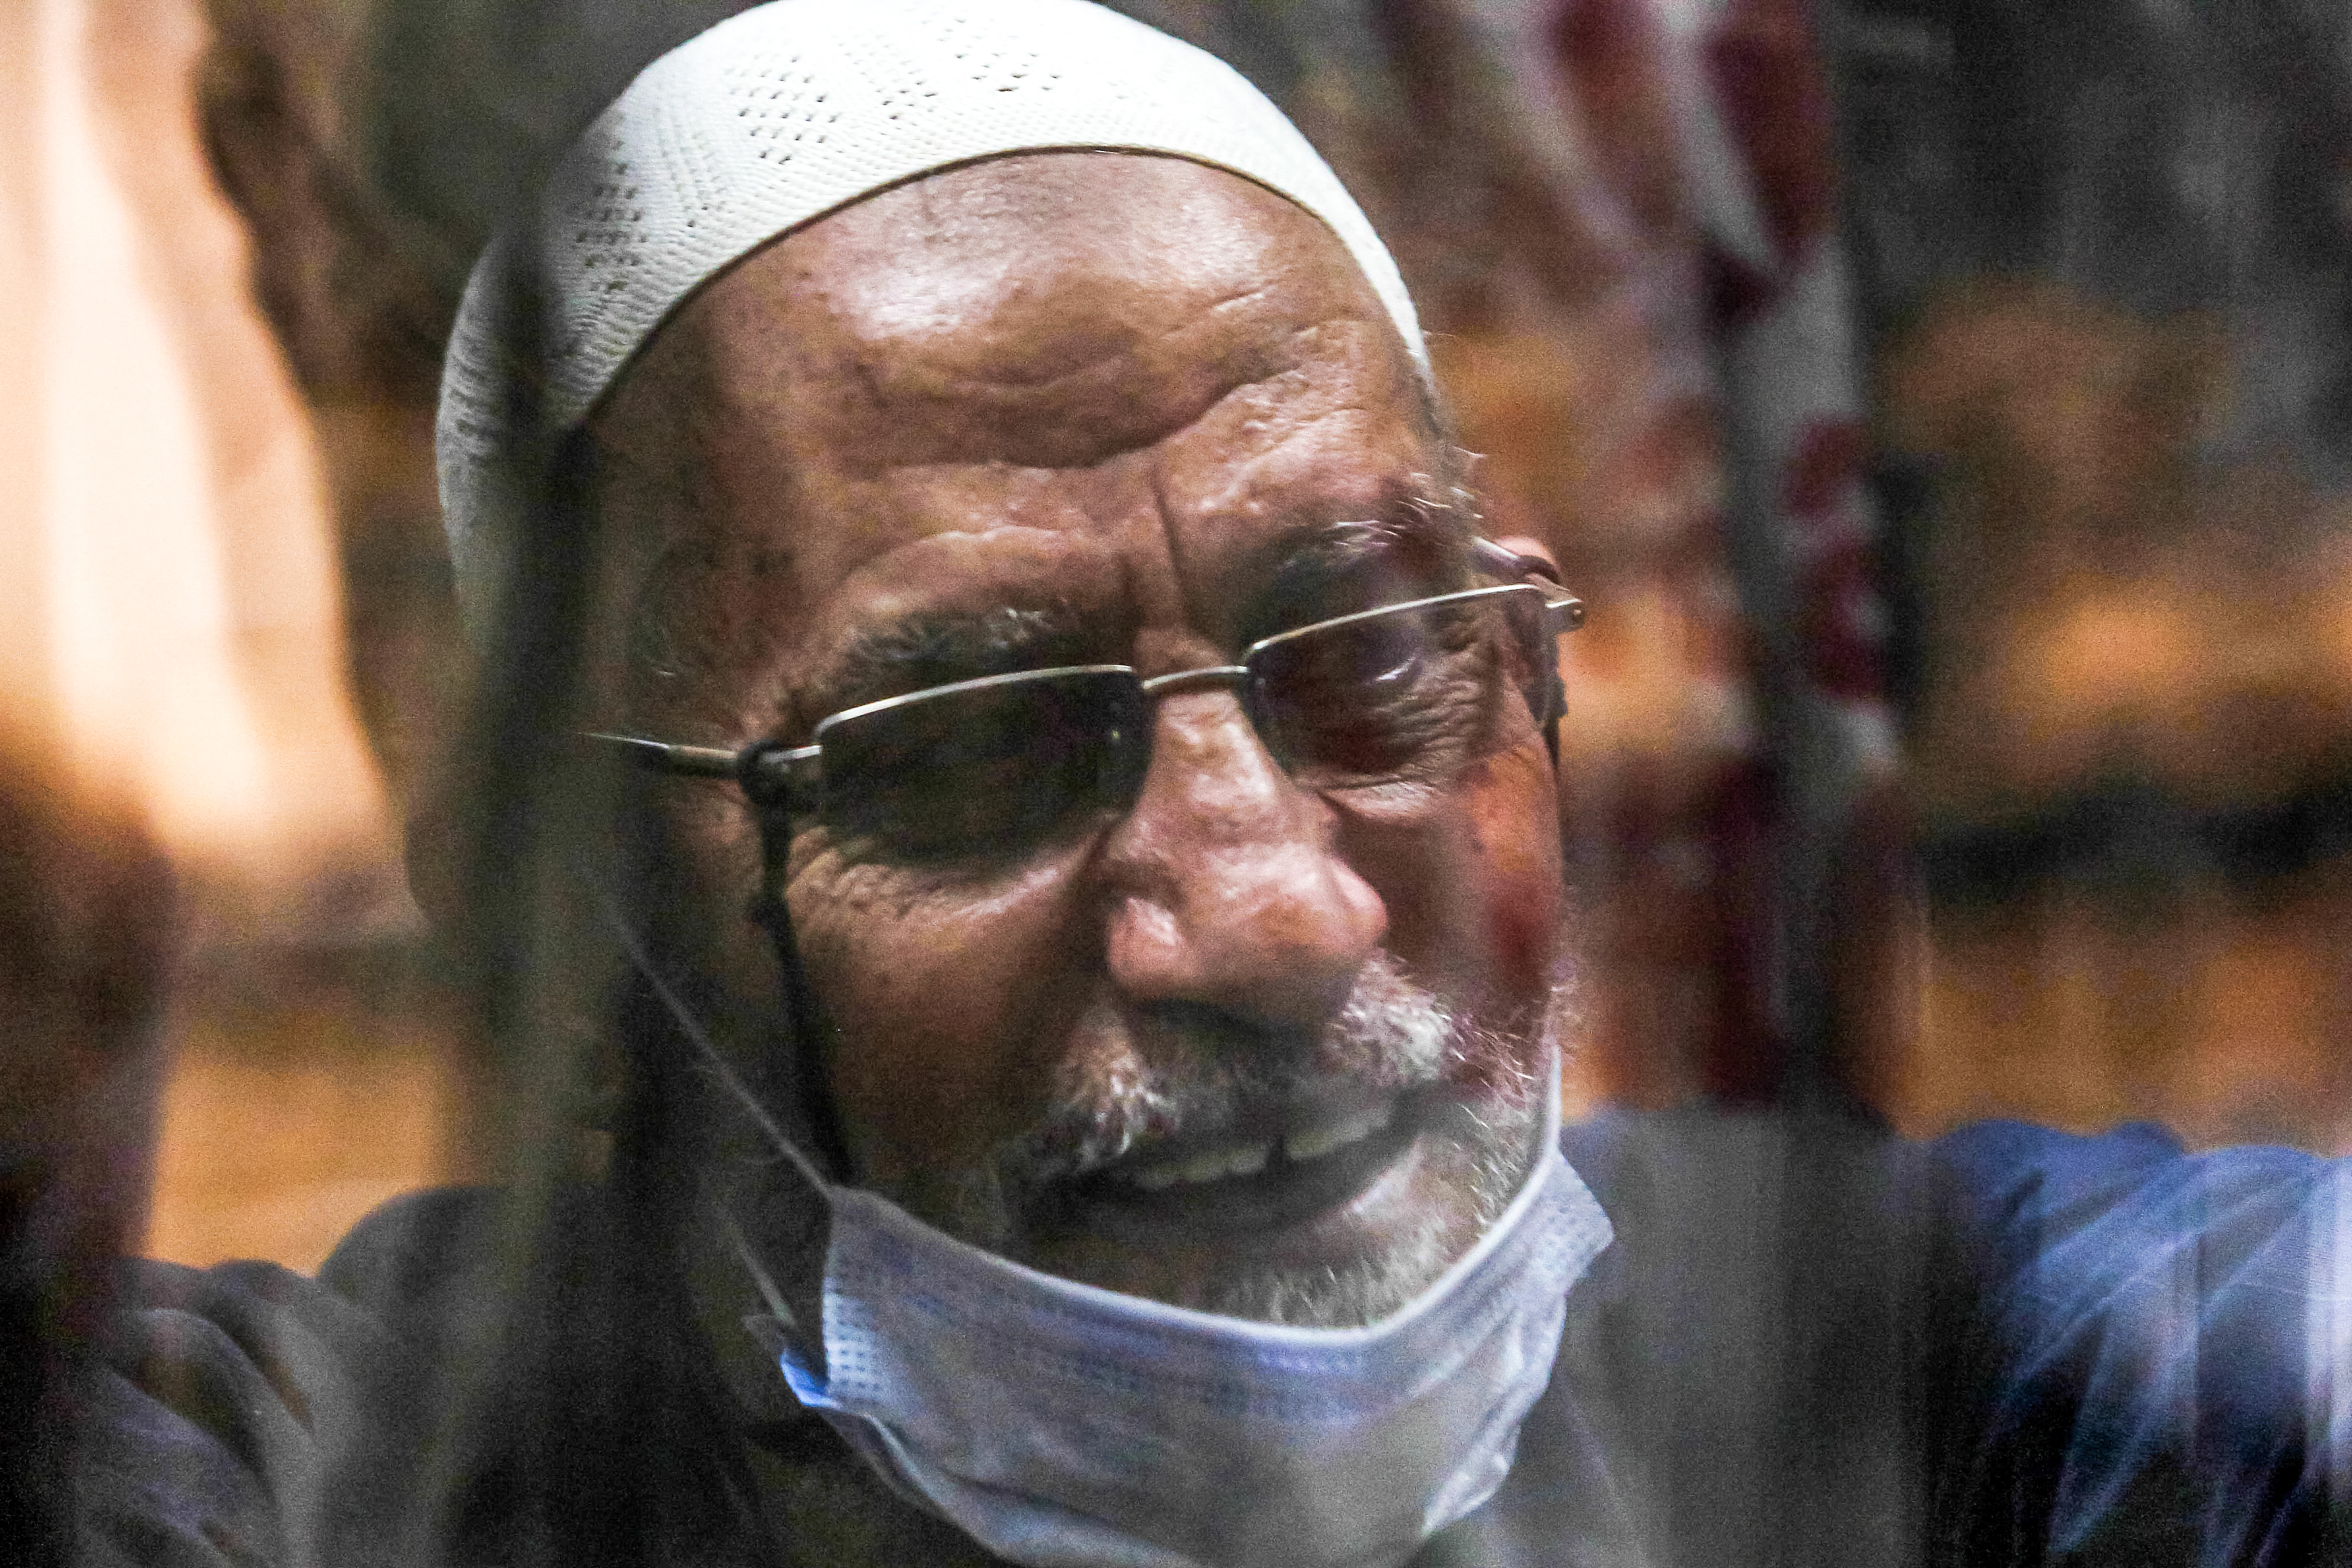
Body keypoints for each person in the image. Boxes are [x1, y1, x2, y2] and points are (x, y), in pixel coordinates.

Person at [68, 4, 2352, 1566]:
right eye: (963, 752)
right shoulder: (321, 1490)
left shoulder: (1926, 1388)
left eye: (1375, 660)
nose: (1274, 918)